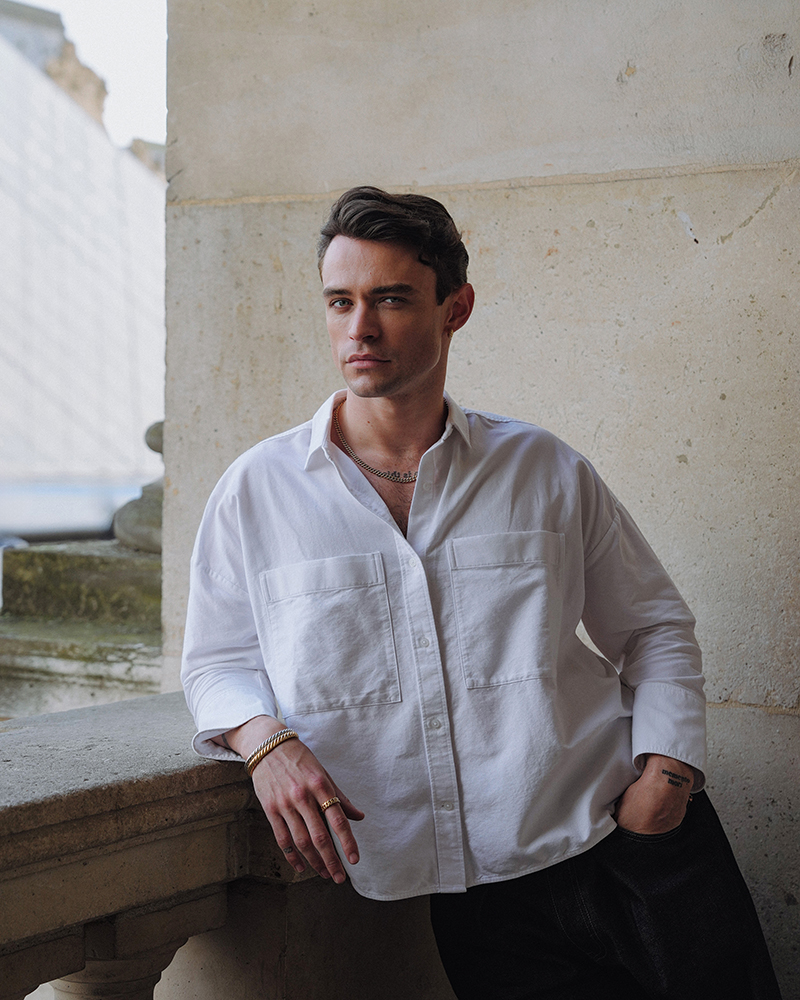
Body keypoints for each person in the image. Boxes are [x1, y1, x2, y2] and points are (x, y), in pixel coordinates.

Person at [181, 186, 781, 999]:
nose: (360, 329)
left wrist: (665, 783)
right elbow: (216, 660)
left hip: (630, 840)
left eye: (392, 299)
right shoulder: (258, 491)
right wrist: (265, 742)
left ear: (455, 308)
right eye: (340, 301)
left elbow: (654, 627)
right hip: (480, 902)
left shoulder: (544, 470)